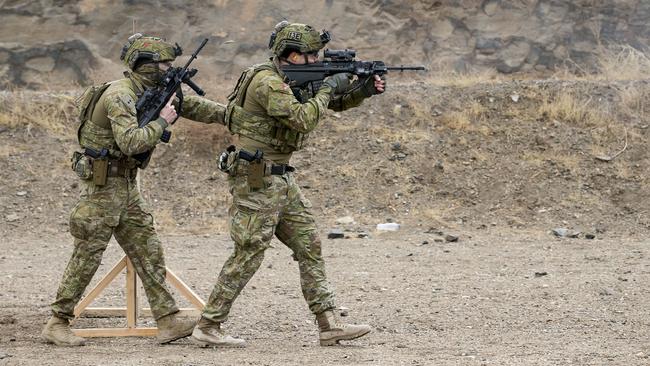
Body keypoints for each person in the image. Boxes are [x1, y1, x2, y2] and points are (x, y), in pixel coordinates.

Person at [191, 21, 386, 348]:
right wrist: (328, 86)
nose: (315, 62)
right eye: (311, 56)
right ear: (292, 56)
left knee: (309, 244)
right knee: (249, 252)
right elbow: (302, 117)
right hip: (257, 178)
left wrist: (362, 90)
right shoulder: (267, 82)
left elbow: (334, 102)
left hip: (280, 176)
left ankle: (329, 324)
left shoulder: (293, 78)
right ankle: (208, 325)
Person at [41, 33, 225, 346]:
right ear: (145, 65)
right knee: (88, 254)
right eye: (164, 62)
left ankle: (168, 319)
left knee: (148, 248)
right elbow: (131, 142)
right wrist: (163, 122)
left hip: (125, 184)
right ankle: (57, 322)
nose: (169, 68)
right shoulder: (119, 94)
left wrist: (234, 113)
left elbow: (194, 106)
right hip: (102, 186)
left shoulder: (151, 90)